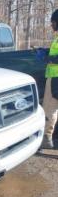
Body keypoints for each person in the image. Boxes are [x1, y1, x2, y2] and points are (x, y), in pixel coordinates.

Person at [41, 9, 58, 149]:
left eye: (53, 22)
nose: (51, 25)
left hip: (55, 78)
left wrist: (47, 58)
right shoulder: (57, 37)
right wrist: (45, 51)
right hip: (54, 76)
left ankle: (46, 138)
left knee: (50, 109)